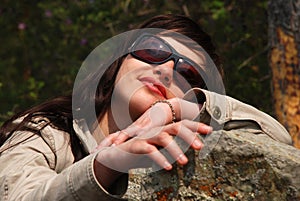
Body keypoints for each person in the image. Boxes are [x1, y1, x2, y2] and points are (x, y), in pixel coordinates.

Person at [0, 14, 292, 201]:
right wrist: (108, 163)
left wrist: (180, 109)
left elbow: (279, 141)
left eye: (188, 73)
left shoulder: (185, 150)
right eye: (153, 51)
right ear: (118, 63)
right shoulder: (45, 131)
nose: (165, 69)